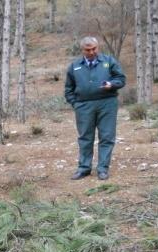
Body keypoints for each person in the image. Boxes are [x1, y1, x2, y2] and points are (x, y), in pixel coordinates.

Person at [64, 36, 126, 181]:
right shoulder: (74, 66)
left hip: (107, 103)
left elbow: (121, 79)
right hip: (84, 106)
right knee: (85, 137)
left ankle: (103, 169)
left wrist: (112, 84)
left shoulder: (109, 61)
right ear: (82, 50)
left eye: (94, 49)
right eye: (88, 50)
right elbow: (68, 89)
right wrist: (76, 104)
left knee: (106, 137)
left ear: (97, 47)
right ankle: (84, 168)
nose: (91, 52)